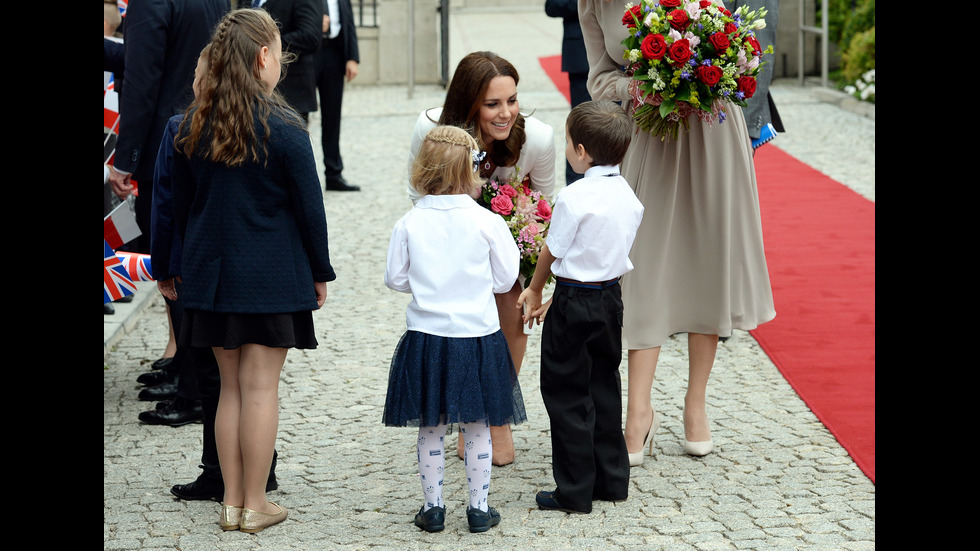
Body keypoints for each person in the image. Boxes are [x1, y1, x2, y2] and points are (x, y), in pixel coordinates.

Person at [578, 0, 775, 465]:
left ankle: (696, 403)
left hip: (714, 131)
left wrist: (714, 69)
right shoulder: (594, 2)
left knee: (708, 259)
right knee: (642, 268)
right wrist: (651, 84)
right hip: (648, 131)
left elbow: (744, 50)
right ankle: (638, 413)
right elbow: (599, 79)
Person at [172, 8, 335, 532]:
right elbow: (311, 211)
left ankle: (231, 502)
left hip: (211, 277)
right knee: (261, 388)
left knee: (230, 389)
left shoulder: (193, 125)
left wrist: (173, 268)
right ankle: (256, 505)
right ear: (264, 56)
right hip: (269, 278)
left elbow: (180, 207)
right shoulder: (286, 129)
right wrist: (320, 271)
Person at [407, 51, 555, 465]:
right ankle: (464, 411)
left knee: (511, 303)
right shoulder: (432, 129)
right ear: (468, 103)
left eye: (512, 100)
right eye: (493, 104)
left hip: (507, 238)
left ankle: (495, 416)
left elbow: (545, 207)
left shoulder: (538, 139)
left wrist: (534, 273)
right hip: (449, 237)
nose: (506, 113)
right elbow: (418, 194)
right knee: (453, 320)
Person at [384, 126, 526, 533]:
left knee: (431, 425)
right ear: (471, 169)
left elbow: (395, 278)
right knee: (478, 425)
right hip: (477, 336)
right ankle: (479, 509)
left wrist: (428, 285)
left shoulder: (409, 222)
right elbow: (505, 279)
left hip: (427, 337)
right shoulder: (486, 222)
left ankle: (433, 507)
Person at [518, 101, 643, 513]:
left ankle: (573, 490)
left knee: (566, 391)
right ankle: (611, 480)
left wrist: (537, 292)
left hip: (574, 302)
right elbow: (604, 257)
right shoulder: (629, 197)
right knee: (604, 384)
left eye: (569, 142)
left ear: (581, 151)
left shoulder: (574, 196)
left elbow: (553, 252)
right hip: (609, 298)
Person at [545, 0, 592, 184]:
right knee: (580, 127)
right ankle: (575, 186)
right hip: (581, 58)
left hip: (616, 56)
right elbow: (552, 6)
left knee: (616, 125)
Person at [317, 0, 360, 191]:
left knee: (332, 117)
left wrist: (352, 57)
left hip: (334, 53)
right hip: (308, 54)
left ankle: (333, 174)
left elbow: (348, 20)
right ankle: (298, 174)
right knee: (300, 116)